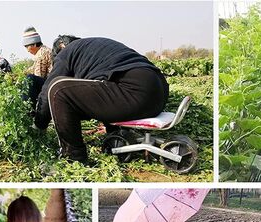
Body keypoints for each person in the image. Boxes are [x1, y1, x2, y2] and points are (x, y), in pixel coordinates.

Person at [33, 35, 169, 163]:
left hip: (136, 92)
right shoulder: (95, 48)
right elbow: (103, 90)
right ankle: (118, 134)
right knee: (96, 85)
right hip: (158, 93)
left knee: (58, 89)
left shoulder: (66, 52)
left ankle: (73, 156)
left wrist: (39, 125)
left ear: (61, 49)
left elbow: (47, 91)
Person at [23, 26, 53, 110]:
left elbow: (39, 76)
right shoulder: (44, 49)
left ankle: (29, 111)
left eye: (27, 47)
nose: (27, 50)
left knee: (30, 80)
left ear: (35, 44)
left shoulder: (41, 54)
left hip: (50, 84)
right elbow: (33, 68)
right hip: (50, 82)